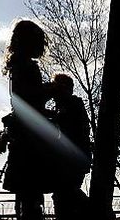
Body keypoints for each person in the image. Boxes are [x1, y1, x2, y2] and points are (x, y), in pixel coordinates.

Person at [1, 20, 56, 220]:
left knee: (26, 196)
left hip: (23, 136)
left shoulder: (16, 66)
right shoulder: (26, 67)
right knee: (31, 195)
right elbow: (29, 99)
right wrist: (51, 89)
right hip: (30, 139)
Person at [48, 74, 92, 220]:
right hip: (75, 158)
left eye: (56, 89)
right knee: (65, 194)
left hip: (73, 159)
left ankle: (94, 210)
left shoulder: (70, 105)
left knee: (65, 193)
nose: (53, 94)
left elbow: (69, 132)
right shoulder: (70, 105)